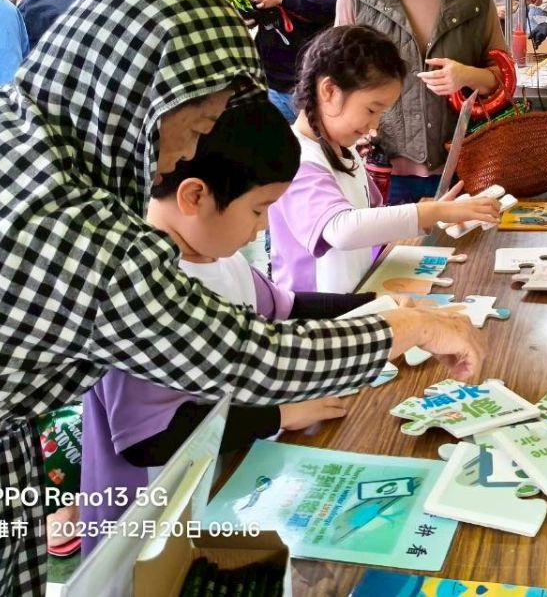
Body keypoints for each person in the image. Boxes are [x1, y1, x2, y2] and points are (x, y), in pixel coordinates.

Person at [0, 0, 485, 594]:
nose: (184, 152)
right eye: (198, 123)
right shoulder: (86, 230)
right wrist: (408, 325)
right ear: (148, 94)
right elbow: (240, 357)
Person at [81, 97, 381, 555]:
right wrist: (278, 415)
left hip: (220, 495)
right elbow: (150, 440)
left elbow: (288, 306)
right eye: (259, 210)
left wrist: (382, 306)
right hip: (146, 528)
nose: (261, 229)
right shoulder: (137, 289)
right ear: (195, 196)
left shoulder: (220, 261)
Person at [270, 25, 503, 293]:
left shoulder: (344, 151)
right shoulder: (296, 159)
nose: (374, 126)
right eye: (371, 109)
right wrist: (433, 212)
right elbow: (341, 229)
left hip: (349, 303)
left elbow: (368, 220)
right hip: (314, 318)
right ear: (329, 91)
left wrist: (428, 212)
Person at [336, 0, 508, 204]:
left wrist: (467, 75)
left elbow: (503, 75)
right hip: (382, 172)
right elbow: (338, 79)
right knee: (392, 258)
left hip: (465, 169)